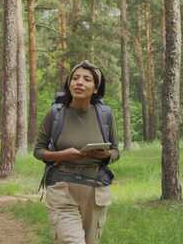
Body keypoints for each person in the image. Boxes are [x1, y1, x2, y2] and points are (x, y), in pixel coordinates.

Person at [34, 60, 119, 244]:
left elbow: (115, 151)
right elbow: (39, 151)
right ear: (69, 84)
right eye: (75, 78)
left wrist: (105, 155)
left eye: (87, 79)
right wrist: (62, 155)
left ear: (96, 88)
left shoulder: (105, 115)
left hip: (95, 190)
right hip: (62, 188)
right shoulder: (55, 114)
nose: (79, 82)